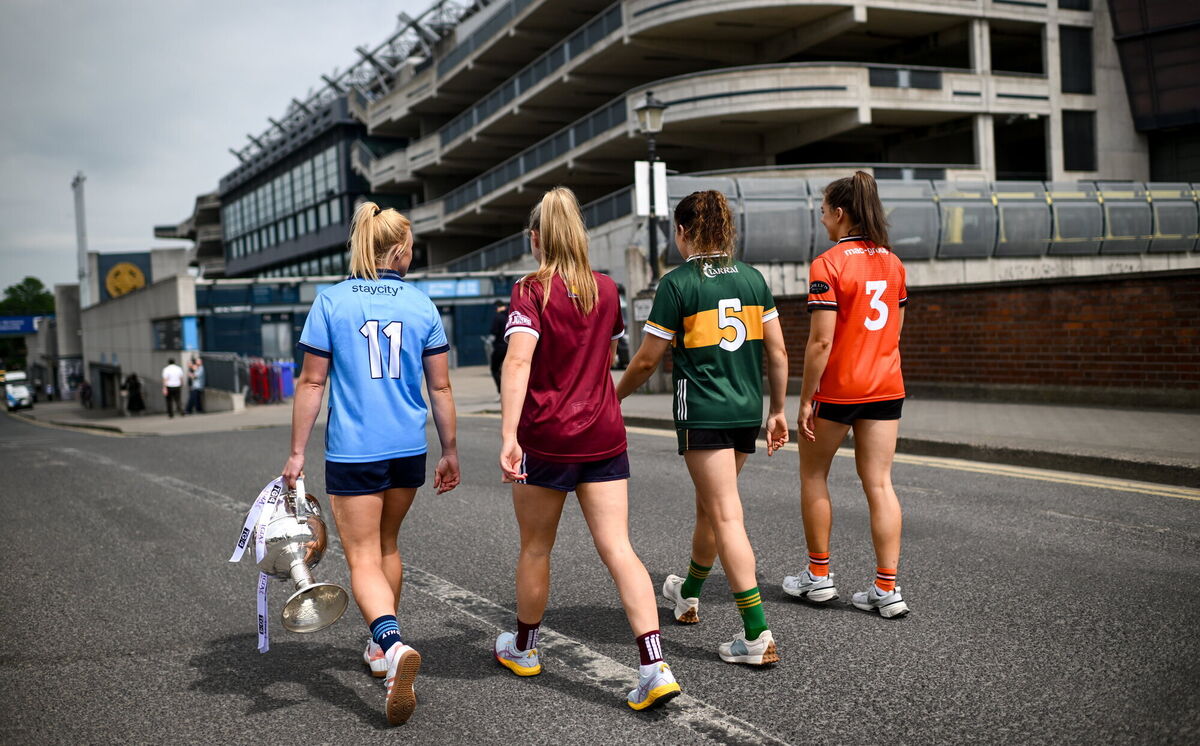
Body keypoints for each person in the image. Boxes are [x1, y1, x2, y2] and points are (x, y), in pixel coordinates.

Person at [496, 187, 682, 711]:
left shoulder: (529, 290)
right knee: (619, 548)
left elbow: (518, 363)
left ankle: (525, 649)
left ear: (536, 239)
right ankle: (654, 665)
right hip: (603, 433)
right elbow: (604, 360)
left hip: (546, 437)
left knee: (536, 548)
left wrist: (509, 435)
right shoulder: (606, 289)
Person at [282, 201, 460, 725]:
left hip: (354, 449)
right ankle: (382, 648)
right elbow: (441, 387)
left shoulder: (331, 301)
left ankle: (391, 643)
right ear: (401, 250)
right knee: (387, 545)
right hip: (407, 446)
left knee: (361, 555)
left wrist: (296, 452)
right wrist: (450, 450)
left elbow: (312, 381)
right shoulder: (422, 305)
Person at [617, 190, 789, 666]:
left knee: (725, 514)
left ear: (682, 232)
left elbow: (649, 359)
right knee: (711, 509)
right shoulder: (754, 279)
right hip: (744, 411)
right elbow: (776, 352)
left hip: (704, 413)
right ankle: (688, 593)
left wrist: (613, 397)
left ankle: (756, 634)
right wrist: (778, 409)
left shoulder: (677, 284)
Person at [781, 170, 910, 619]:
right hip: (886, 385)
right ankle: (886, 589)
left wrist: (803, 400)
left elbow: (820, 342)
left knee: (814, 477)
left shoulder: (828, 264)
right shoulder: (893, 263)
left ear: (839, 213)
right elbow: (895, 328)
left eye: (822, 211)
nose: (821, 220)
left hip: (839, 389)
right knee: (879, 483)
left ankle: (818, 578)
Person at [488, 299, 508, 392]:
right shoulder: (510, 315)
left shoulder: (498, 317)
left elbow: (494, 333)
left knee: (495, 369)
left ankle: (501, 391)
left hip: (500, 347)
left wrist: (489, 342)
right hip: (511, 347)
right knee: (509, 370)